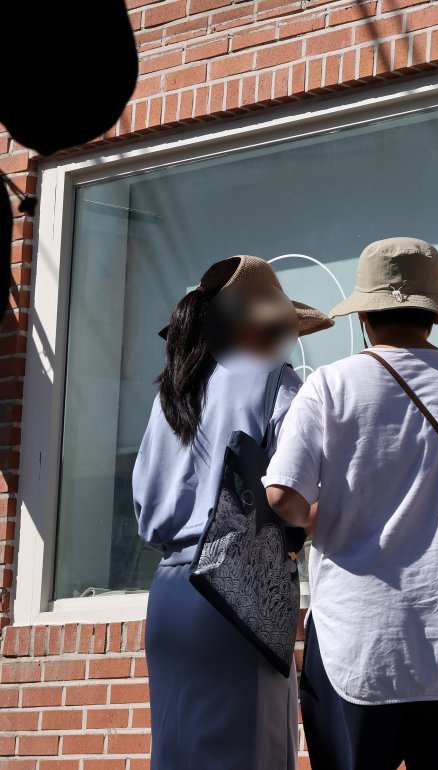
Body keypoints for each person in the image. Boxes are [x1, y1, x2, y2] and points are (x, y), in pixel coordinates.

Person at [263, 237, 438, 770]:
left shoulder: (331, 387)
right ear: (436, 317)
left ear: (363, 313)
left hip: (363, 641)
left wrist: (320, 518)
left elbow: (282, 494)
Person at [132, 255, 333, 770]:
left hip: (170, 596)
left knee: (176, 753)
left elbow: (144, 505)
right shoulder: (276, 382)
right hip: (238, 592)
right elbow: (293, 491)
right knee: (251, 753)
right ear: (259, 328)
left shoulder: (173, 392)